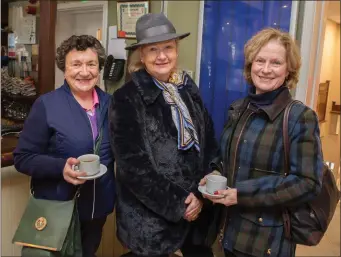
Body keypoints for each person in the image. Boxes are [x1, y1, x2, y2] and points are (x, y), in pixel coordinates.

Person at [200, 28, 324, 257]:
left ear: (288, 70)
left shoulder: (300, 117)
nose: (266, 69)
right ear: (250, 65)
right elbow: (224, 158)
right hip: (225, 233)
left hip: (264, 243)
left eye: (276, 63)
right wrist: (215, 171)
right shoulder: (239, 108)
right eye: (260, 60)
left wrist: (241, 194)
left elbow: (308, 183)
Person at [109, 13, 218, 257]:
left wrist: (200, 195)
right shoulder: (126, 98)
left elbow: (209, 142)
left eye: (168, 47)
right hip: (151, 223)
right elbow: (133, 167)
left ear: (176, 50)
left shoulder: (188, 88)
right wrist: (181, 203)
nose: (162, 56)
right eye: (153, 49)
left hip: (197, 215)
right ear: (142, 55)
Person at [13, 35, 115, 257]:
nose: (84, 72)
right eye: (76, 64)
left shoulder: (111, 104)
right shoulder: (47, 105)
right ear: (64, 69)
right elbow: (23, 157)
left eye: (91, 64)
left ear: (99, 67)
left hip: (97, 210)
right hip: (59, 208)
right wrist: (61, 168)